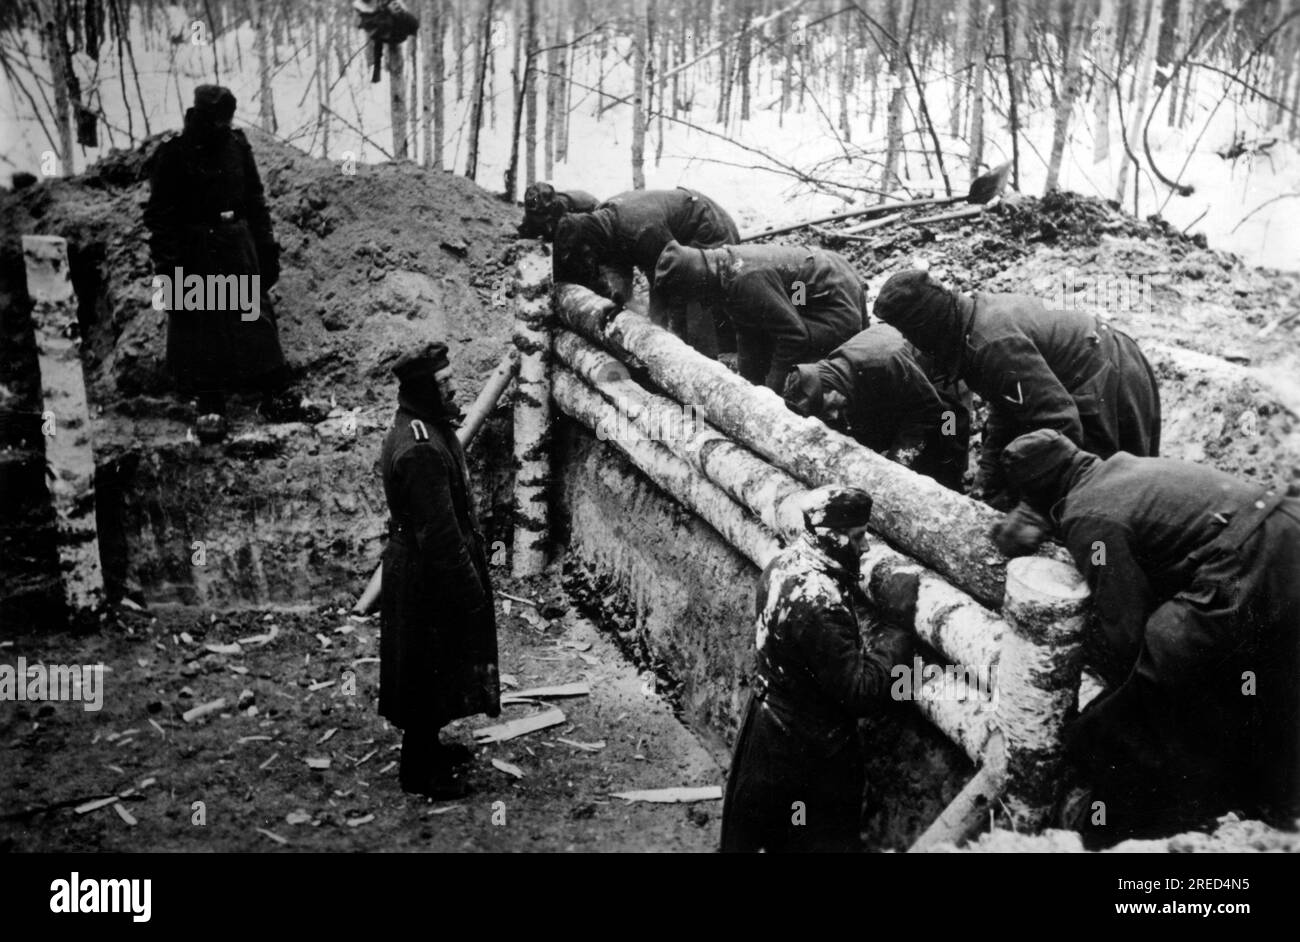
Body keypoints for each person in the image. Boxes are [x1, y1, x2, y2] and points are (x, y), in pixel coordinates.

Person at [998, 429, 1300, 844]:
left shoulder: (1088, 515)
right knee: (1256, 672)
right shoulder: (1121, 466)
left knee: (1161, 670)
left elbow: (1126, 631)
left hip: (1252, 561)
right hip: (1286, 526)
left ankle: (1117, 828)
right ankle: (1269, 794)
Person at [721, 486, 915, 853]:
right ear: (833, 538)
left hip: (767, 728)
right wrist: (897, 627)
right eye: (858, 537)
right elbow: (860, 691)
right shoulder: (816, 602)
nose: (866, 547)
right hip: (806, 750)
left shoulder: (784, 564)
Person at [872, 269, 1160, 511]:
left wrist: (1032, 509)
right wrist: (986, 484)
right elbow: (1007, 410)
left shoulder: (991, 344)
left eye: (910, 331)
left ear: (928, 323)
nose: (909, 340)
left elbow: (1059, 423)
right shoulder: (968, 323)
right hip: (1088, 367)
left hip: (1104, 374)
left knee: (1105, 492)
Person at [378, 341, 501, 799]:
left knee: (434, 665)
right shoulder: (421, 449)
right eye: (445, 384)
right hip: (425, 578)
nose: (455, 391)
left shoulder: (424, 428)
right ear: (425, 390)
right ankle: (418, 770)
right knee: (425, 668)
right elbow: (441, 535)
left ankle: (429, 749)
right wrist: (470, 593)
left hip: (423, 572)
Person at [144, 85, 285, 444]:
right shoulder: (174, 153)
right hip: (196, 247)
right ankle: (210, 403)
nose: (223, 126)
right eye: (217, 119)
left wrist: (266, 249)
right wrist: (169, 268)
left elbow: (255, 199)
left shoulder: (238, 147)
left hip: (237, 239)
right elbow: (160, 217)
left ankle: (274, 393)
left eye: (228, 118)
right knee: (201, 321)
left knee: (254, 314)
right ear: (201, 116)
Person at [655, 241, 866, 392]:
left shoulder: (745, 278)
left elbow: (793, 336)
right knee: (776, 330)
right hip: (804, 291)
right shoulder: (722, 271)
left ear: (696, 281)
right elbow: (746, 330)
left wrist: (771, 393)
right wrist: (749, 386)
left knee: (797, 344)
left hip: (833, 293)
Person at [553, 187, 739, 356]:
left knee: (695, 298)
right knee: (668, 308)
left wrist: (663, 325)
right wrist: (620, 300)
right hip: (674, 234)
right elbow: (617, 262)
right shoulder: (603, 222)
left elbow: (668, 274)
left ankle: (709, 357)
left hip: (708, 226)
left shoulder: (642, 231)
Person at [782, 324, 971, 491]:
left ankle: (955, 487)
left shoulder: (882, 362)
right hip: (906, 392)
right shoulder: (838, 375)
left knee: (947, 442)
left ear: (829, 386)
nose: (833, 413)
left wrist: (898, 462)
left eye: (829, 407)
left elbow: (930, 411)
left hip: (940, 386)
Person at [517, 182, 599, 240]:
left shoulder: (562, 209)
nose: (538, 219)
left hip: (590, 209)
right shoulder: (532, 208)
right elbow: (527, 232)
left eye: (542, 216)